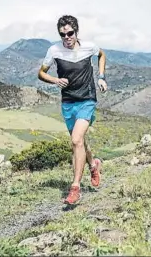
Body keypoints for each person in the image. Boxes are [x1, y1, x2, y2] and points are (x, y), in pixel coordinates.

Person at [38, 15, 108, 205]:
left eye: (70, 33)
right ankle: (94, 165)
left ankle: (75, 188)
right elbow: (41, 73)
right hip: (68, 102)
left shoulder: (89, 47)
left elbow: (102, 55)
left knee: (76, 140)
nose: (67, 37)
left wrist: (101, 77)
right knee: (80, 143)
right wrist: (55, 80)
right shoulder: (54, 50)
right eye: (63, 35)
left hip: (87, 100)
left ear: (76, 32)